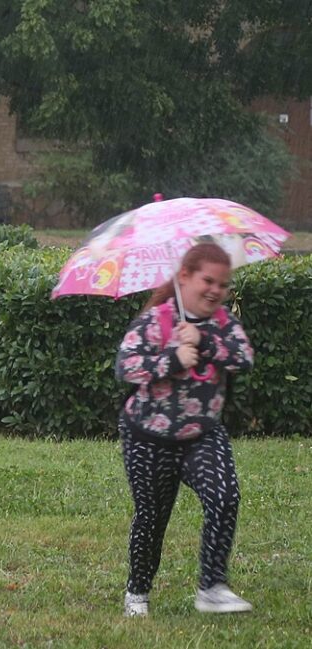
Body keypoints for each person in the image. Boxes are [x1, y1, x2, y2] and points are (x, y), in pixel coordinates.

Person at [116, 242, 255, 617]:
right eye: (207, 280)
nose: (215, 290)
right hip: (148, 437)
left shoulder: (223, 322)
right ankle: (137, 592)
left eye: (223, 284)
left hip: (202, 435)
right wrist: (171, 359)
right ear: (184, 277)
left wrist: (205, 342)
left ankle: (211, 587)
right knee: (152, 517)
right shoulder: (157, 320)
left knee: (225, 497)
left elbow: (243, 357)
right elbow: (126, 367)